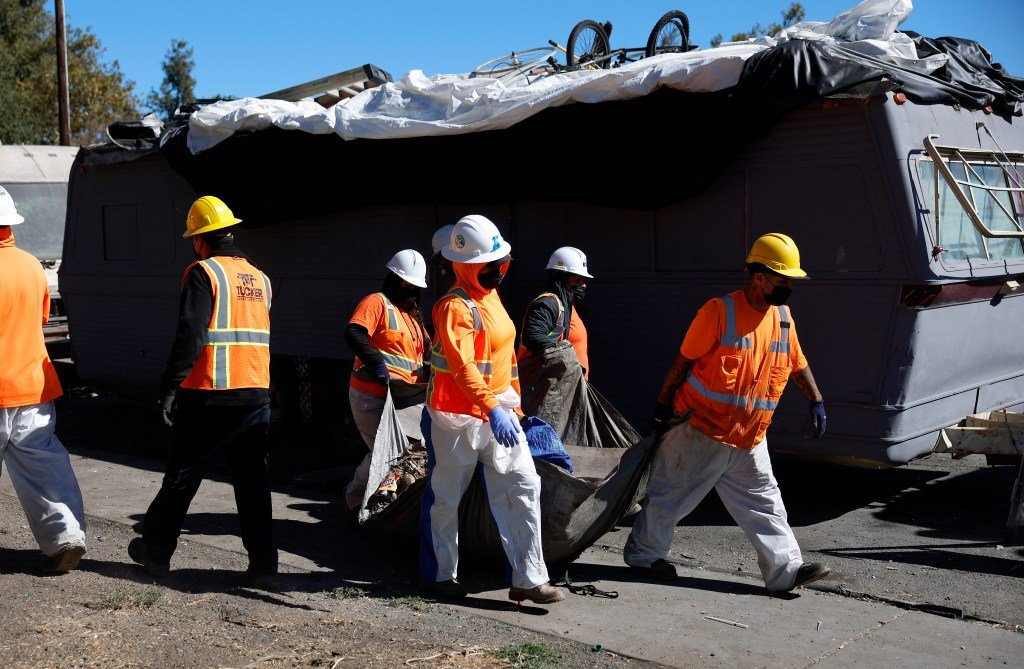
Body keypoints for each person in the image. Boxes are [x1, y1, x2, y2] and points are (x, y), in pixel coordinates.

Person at [624, 233, 830, 592]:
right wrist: (661, 407)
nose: (789, 288)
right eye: (784, 280)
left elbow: (797, 364)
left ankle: (786, 570)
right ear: (759, 276)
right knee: (671, 494)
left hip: (750, 436)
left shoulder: (783, 317)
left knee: (765, 501)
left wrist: (816, 399)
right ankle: (644, 555)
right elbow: (682, 364)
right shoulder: (719, 312)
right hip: (700, 429)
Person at [129, 196, 278, 589]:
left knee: (182, 477)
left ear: (201, 239)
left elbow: (191, 334)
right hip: (255, 393)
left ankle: (156, 553)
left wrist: (170, 385)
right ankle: (263, 566)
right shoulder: (260, 278)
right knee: (253, 484)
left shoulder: (203, 272)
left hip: (210, 393)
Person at [419, 214, 564, 604]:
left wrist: (510, 406)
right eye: (490, 265)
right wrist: (491, 407)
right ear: (465, 265)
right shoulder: (453, 307)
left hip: (498, 414)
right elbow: (462, 365)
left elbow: (504, 358)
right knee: (447, 498)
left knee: (523, 485)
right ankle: (441, 577)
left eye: (500, 262)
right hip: (456, 418)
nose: (500, 270)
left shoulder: (490, 297)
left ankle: (529, 579)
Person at [0, 185, 87, 573]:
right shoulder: (32, 266)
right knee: (45, 465)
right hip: (32, 386)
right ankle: (65, 536)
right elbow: (36, 322)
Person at [343, 249, 431, 511]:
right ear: (394, 279)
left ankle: (377, 502)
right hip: (371, 395)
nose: (412, 291)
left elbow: (422, 353)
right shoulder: (376, 302)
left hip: (401, 400)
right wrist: (377, 364)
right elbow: (354, 333)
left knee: (399, 453)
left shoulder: (411, 316)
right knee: (386, 452)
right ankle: (356, 501)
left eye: (415, 287)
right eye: (407, 285)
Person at [518, 246, 593, 379]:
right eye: (577, 279)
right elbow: (533, 338)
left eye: (584, 280)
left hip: (565, 387)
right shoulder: (548, 304)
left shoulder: (568, 305)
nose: (583, 285)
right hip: (548, 390)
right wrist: (570, 364)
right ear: (560, 277)